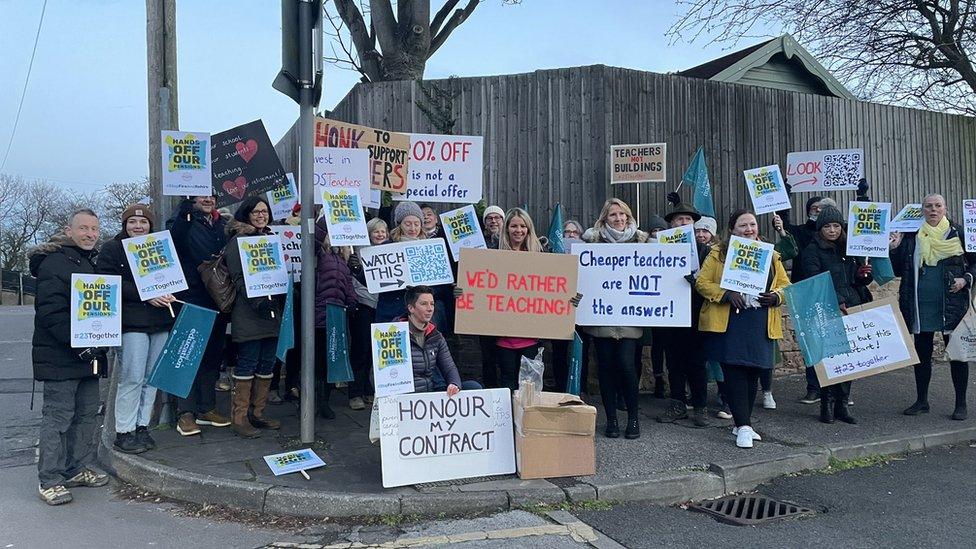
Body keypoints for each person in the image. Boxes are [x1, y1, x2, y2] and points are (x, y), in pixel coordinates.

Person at [30, 208, 110, 505]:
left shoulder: (89, 262)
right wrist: (80, 345)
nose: (90, 234)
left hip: (88, 356)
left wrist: (98, 343)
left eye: (94, 229)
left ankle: (76, 469)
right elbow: (51, 313)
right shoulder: (54, 264)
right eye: (84, 228)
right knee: (58, 418)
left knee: (86, 416)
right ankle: (49, 479)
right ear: (69, 230)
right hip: (61, 357)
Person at [697, 209, 790, 448]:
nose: (749, 230)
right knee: (735, 372)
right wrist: (726, 294)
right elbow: (702, 282)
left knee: (753, 372)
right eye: (743, 226)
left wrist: (776, 297)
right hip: (730, 319)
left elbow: (785, 285)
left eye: (752, 225)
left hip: (760, 319)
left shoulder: (771, 255)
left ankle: (741, 423)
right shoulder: (718, 253)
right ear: (732, 230)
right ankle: (745, 426)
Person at [96, 204, 176, 454]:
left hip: (160, 320)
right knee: (132, 377)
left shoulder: (159, 246)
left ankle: (142, 426)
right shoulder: (111, 249)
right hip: (131, 323)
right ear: (125, 225)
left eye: (143, 223)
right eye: (132, 222)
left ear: (150, 225)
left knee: (151, 378)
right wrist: (146, 294)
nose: (138, 226)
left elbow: (174, 277)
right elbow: (108, 284)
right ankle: (124, 430)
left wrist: (172, 292)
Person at [890, 193, 975, 420]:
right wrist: (895, 248)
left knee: (957, 355)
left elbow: (975, 264)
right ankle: (922, 401)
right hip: (921, 304)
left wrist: (965, 278)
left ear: (945, 208)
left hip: (952, 304)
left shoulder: (959, 234)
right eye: (928, 206)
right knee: (922, 354)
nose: (933, 210)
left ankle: (960, 404)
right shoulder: (911, 235)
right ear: (922, 210)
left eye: (938, 206)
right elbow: (899, 270)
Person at [581, 198, 649, 439]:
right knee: (606, 369)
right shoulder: (591, 242)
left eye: (623, 215)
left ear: (629, 217)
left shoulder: (643, 241)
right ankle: (611, 419)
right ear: (605, 218)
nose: (619, 219)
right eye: (613, 215)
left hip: (630, 320)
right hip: (601, 320)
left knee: (628, 367)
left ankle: (632, 418)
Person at [801, 204, 872, 424]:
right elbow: (814, 280)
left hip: (852, 306)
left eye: (836, 226)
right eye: (827, 226)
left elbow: (858, 280)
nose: (832, 230)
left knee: (849, 358)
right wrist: (837, 300)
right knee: (830, 358)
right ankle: (827, 404)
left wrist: (863, 275)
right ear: (820, 228)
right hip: (828, 308)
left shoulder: (849, 249)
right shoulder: (812, 250)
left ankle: (843, 404)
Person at [166, 195, 231, 436]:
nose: (207, 199)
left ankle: (207, 408)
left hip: (217, 299)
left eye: (211, 194)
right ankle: (185, 413)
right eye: (201, 194)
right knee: (187, 356)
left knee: (212, 357)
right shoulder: (182, 220)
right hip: (190, 297)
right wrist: (185, 207)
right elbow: (174, 240)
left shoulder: (222, 224)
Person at [224, 196, 284, 438]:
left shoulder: (270, 238)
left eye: (264, 211)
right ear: (246, 215)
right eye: (256, 212)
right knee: (247, 363)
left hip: (272, 311)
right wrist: (258, 301)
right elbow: (238, 277)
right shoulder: (239, 241)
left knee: (267, 364)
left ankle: (257, 414)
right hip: (250, 312)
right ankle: (239, 418)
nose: (261, 215)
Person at [656, 197, 711, 427]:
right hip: (670, 315)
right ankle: (677, 404)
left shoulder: (705, 251)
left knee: (697, 363)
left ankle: (700, 407)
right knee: (674, 363)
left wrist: (697, 282)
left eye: (687, 219)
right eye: (679, 219)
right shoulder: (659, 248)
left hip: (696, 314)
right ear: (671, 225)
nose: (683, 223)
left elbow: (713, 282)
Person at [494, 208, 547, 391]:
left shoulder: (540, 258)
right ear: (506, 228)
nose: (519, 230)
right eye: (514, 226)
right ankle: (509, 420)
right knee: (507, 382)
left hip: (530, 337)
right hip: (503, 336)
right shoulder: (492, 256)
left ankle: (526, 420)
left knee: (528, 385)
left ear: (529, 229)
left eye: (523, 226)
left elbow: (551, 290)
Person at [313, 216, 358, 418]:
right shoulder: (319, 255)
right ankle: (317, 402)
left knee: (331, 360)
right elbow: (315, 238)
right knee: (320, 360)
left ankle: (324, 401)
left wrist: (352, 301)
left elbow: (347, 284)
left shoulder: (342, 258)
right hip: (319, 315)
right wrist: (329, 215)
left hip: (337, 315)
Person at [402, 286, 482, 393]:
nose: (430, 309)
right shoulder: (393, 334)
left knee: (473, 387)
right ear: (411, 308)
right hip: (406, 397)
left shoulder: (436, 336)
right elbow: (377, 375)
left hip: (431, 393)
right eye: (424, 304)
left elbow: (449, 367)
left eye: (432, 304)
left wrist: (454, 384)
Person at [347, 217, 388, 409]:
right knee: (361, 349)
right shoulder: (358, 253)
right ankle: (355, 392)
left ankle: (369, 389)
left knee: (376, 351)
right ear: (369, 233)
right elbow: (359, 281)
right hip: (364, 305)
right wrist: (356, 269)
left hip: (383, 306)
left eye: (383, 231)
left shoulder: (390, 252)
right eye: (376, 231)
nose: (380, 235)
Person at [551, 219, 590, 394]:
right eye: (567, 232)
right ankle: (560, 387)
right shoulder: (552, 256)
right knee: (558, 352)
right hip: (558, 311)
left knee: (582, 350)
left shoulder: (589, 257)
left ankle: (580, 388)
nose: (571, 235)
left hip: (582, 311)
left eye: (575, 232)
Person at [375, 201, 427, 323]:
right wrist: (358, 270)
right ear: (399, 224)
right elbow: (372, 280)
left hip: (418, 315)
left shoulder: (429, 249)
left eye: (416, 224)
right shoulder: (386, 246)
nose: (413, 228)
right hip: (390, 313)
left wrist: (421, 288)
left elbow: (440, 286)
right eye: (408, 224)